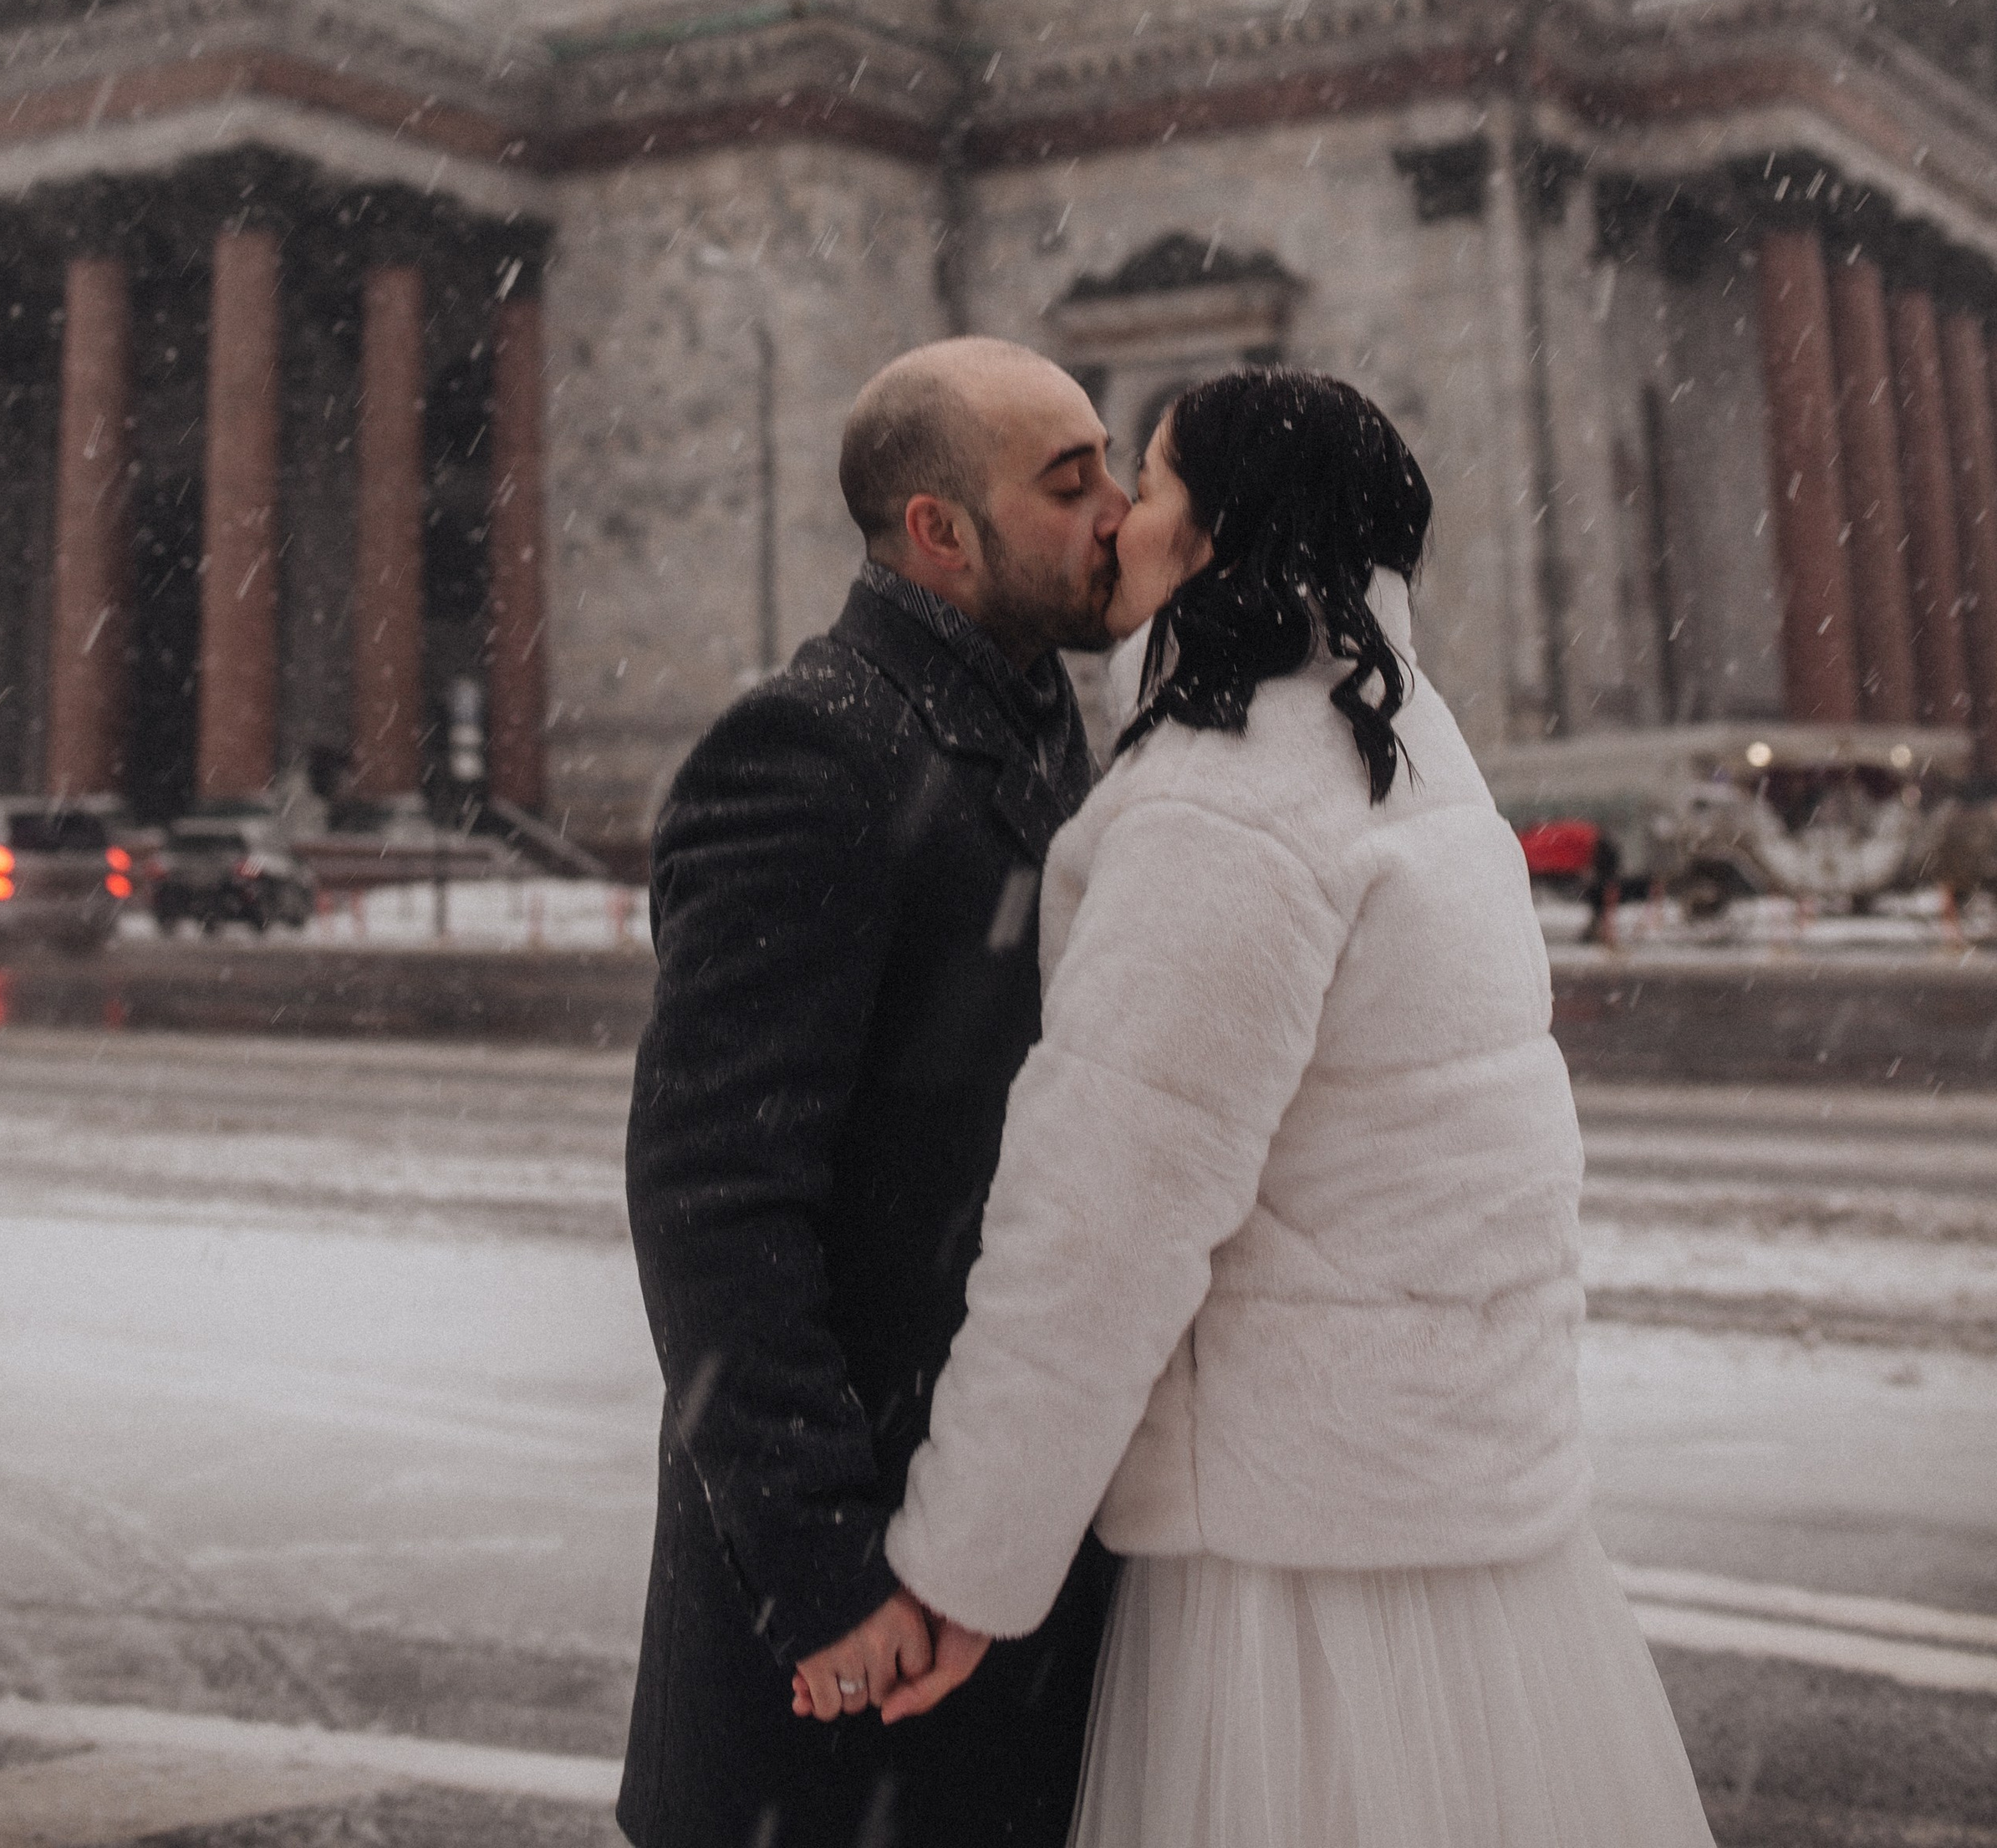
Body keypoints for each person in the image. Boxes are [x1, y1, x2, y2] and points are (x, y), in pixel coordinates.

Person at [867, 366, 1716, 1847]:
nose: (1120, 515)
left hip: (1291, 1569)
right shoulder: (1411, 760)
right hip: (1474, 1541)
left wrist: (965, 1566)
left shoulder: (1226, 804)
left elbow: (1102, 1228)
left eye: (1152, 482)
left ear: (1217, 539)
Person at [616, 336, 1128, 1848]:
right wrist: (823, 1572)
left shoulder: (1043, 728)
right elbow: (714, 1196)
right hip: (858, 1619)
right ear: (940, 533)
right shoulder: (811, 754)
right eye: (1070, 478)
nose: (1116, 507)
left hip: (988, 1556)